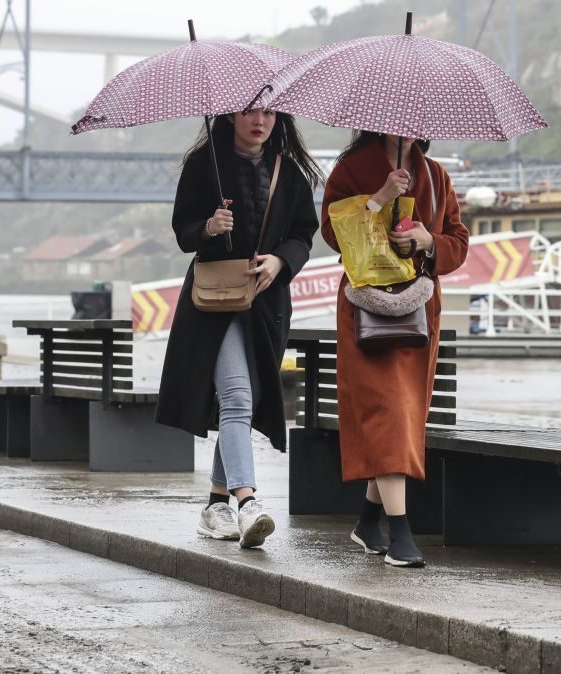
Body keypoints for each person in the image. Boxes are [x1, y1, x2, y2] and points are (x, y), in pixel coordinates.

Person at [156, 109, 322, 549]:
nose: (260, 121)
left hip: (267, 305)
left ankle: (215, 504)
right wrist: (209, 227)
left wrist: (281, 260)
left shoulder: (289, 171)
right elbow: (183, 231)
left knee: (242, 405)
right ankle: (248, 501)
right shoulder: (204, 164)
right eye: (250, 112)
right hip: (215, 303)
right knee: (237, 396)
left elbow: (306, 232)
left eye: (269, 112)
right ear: (231, 116)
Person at [321, 132, 470, 567]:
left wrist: (427, 242)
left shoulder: (436, 175)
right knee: (387, 412)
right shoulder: (350, 170)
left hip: (419, 310)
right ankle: (401, 532)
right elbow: (332, 232)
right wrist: (379, 196)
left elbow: (458, 241)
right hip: (366, 308)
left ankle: (369, 521)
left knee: (403, 417)